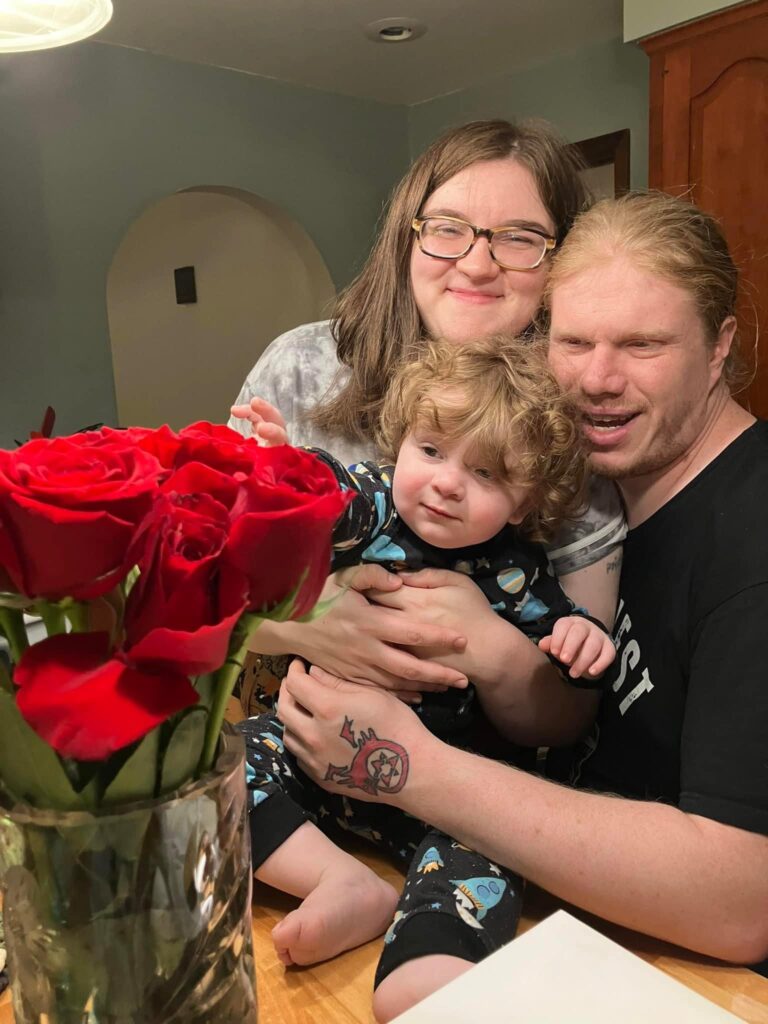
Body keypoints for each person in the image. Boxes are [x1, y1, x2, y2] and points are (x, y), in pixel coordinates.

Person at [274, 192, 768, 1022]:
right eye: (575, 342)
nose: (599, 380)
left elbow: (740, 898)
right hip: (545, 919)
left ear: (719, 348)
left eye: (644, 344)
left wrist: (412, 769)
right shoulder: (601, 512)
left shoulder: (751, 537)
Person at [238, 335, 615, 988]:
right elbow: (332, 498)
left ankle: (430, 966)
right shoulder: (380, 508)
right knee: (219, 766)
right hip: (312, 749)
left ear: (523, 503)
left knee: (489, 852)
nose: (445, 483)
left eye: (486, 473)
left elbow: (560, 644)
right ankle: (339, 881)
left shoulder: (517, 572)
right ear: (402, 444)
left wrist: (583, 642)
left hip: (444, 793)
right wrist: (284, 470)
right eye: (431, 450)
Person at [229, 120, 627, 711]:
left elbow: (566, 715)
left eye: (519, 238)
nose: (476, 264)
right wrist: (304, 626)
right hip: (284, 740)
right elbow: (197, 596)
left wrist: (487, 645)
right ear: (406, 238)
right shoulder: (300, 368)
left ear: (560, 259)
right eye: (447, 229)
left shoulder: (571, 425)